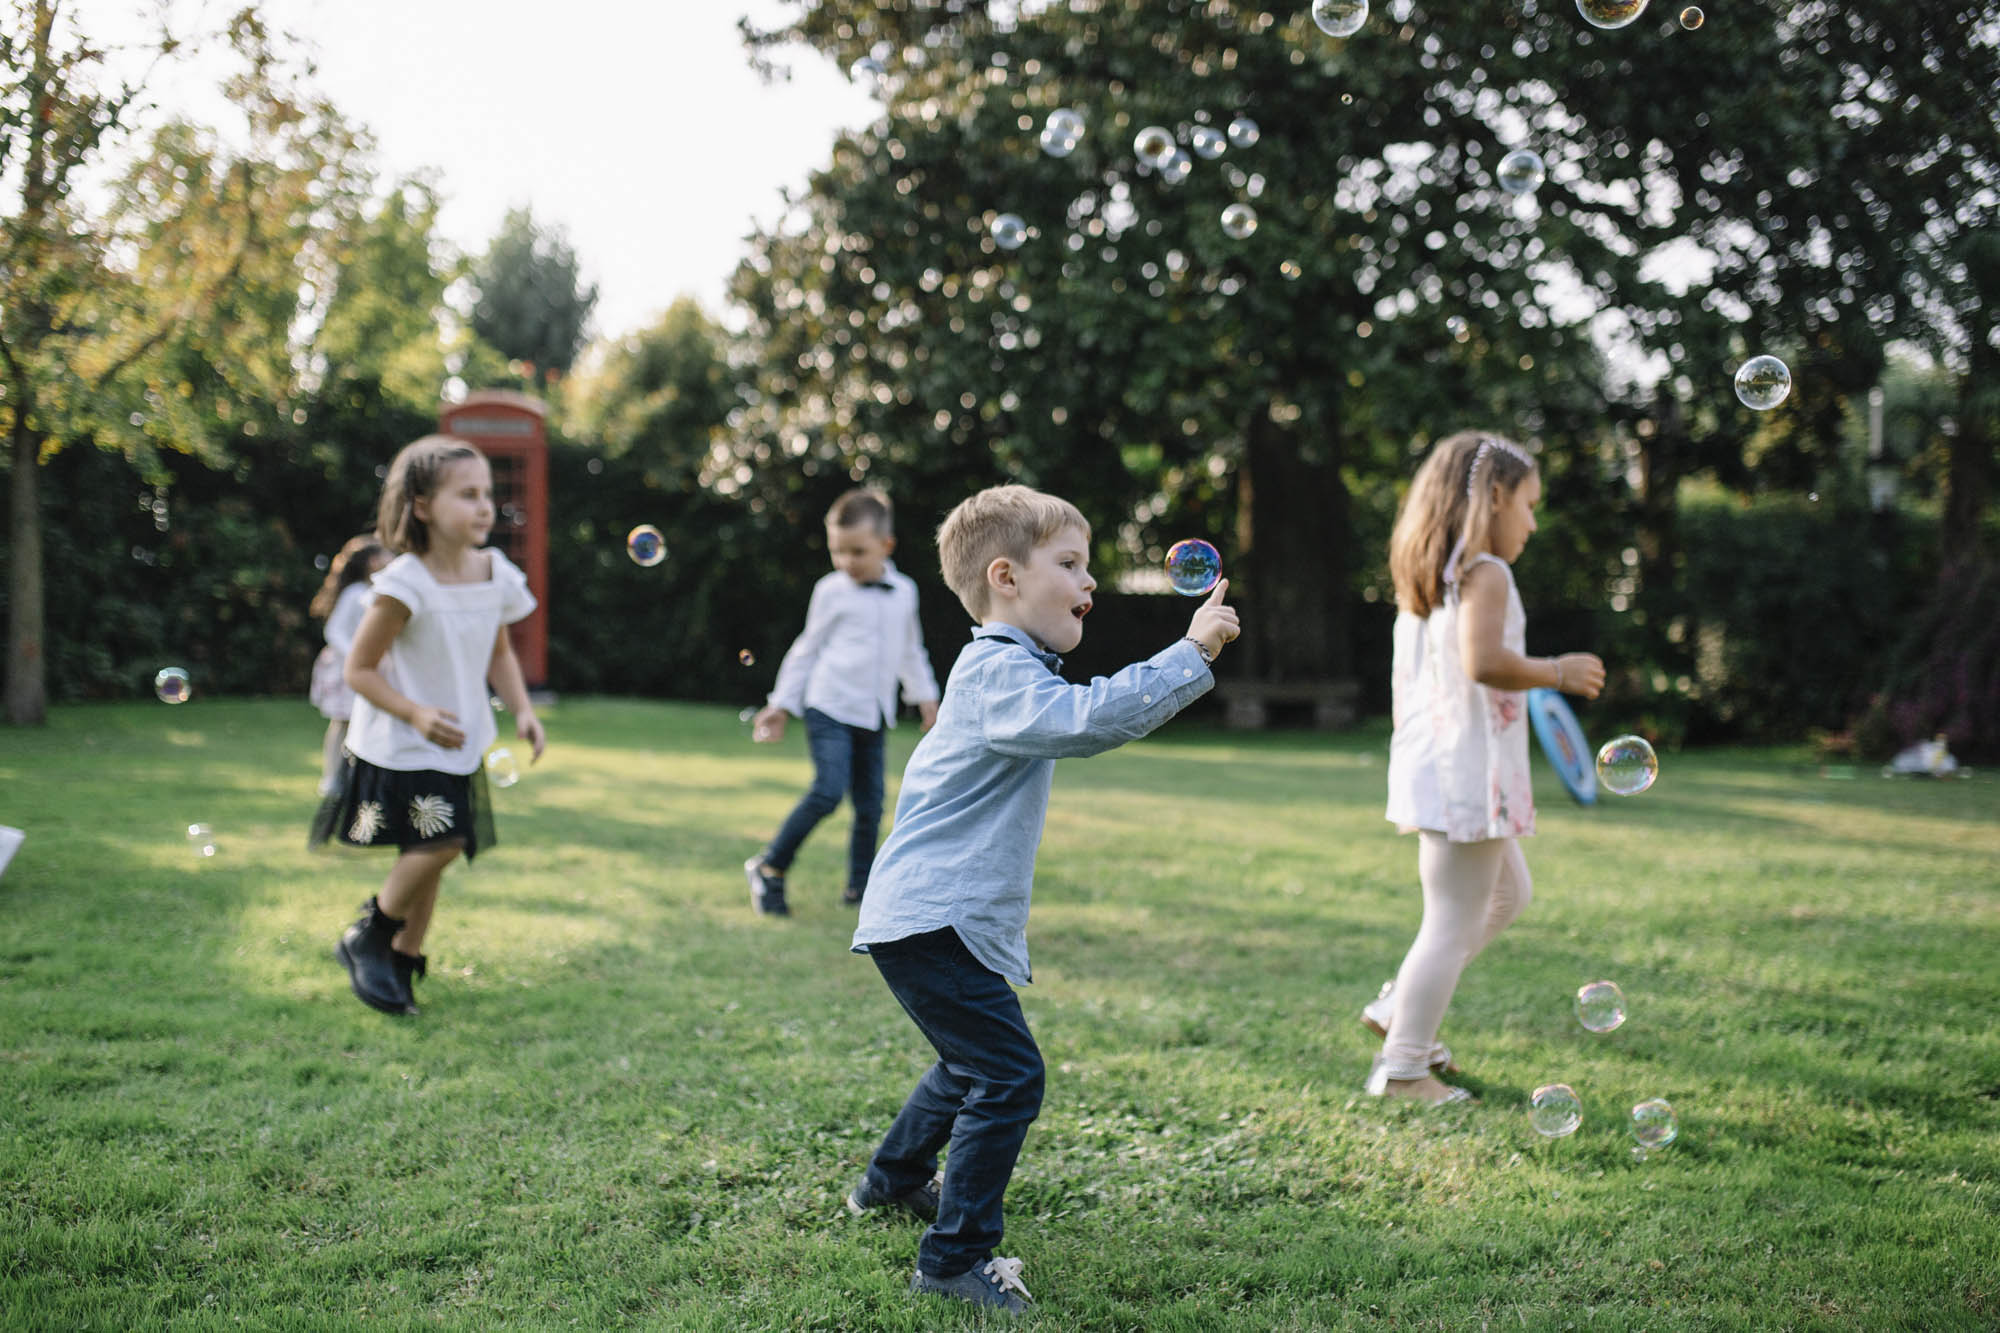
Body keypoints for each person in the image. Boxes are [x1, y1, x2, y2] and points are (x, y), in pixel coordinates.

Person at [845, 484, 1240, 1314]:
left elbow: (1073, 714)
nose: (1089, 582)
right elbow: (1085, 720)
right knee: (1008, 1073)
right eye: (1070, 563)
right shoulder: (997, 668)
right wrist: (1189, 654)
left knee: (970, 1062)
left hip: (926, 917)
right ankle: (954, 1259)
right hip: (932, 917)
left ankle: (889, 1182)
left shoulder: (1005, 668)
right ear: (1005, 578)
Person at [1370, 432, 1605, 1104]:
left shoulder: (1434, 579)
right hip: (1465, 773)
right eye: (1529, 504)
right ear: (1494, 497)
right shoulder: (1487, 572)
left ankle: (1398, 1008)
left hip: (1440, 767)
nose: (1533, 521)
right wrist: (1557, 670)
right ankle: (1406, 1068)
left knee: (1507, 896)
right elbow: (1483, 663)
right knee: (1450, 918)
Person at [310, 435, 545, 1017]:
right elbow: (359, 670)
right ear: (421, 506)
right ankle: (371, 933)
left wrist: (523, 709)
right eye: (467, 495)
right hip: (404, 742)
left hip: (459, 739)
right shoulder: (404, 584)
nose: (485, 506)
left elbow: (499, 654)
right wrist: (414, 711)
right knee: (445, 842)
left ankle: (403, 958)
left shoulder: (495, 573)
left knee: (431, 846)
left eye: (487, 493)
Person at [745, 488, 941, 915]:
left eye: (857, 551)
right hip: (829, 706)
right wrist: (781, 704)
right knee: (828, 792)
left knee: (871, 806)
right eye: (838, 552)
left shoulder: (905, 591)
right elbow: (807, 648)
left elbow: (911, 650)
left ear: (886, 546)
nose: (846, 562)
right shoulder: (830, 591)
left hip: (874, 714)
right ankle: (770, 867)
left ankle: (860, 890)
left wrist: (927, 699)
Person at [308, 534, 389, 795]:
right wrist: (356, 655)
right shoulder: (355, 593)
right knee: (342, 722)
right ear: (374, 562)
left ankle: (357, 777)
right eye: (388, 554)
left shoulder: (379, 592)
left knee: (363, 723)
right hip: (344, 669)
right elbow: (334, 631)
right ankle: (331, 778)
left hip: (366, 668)